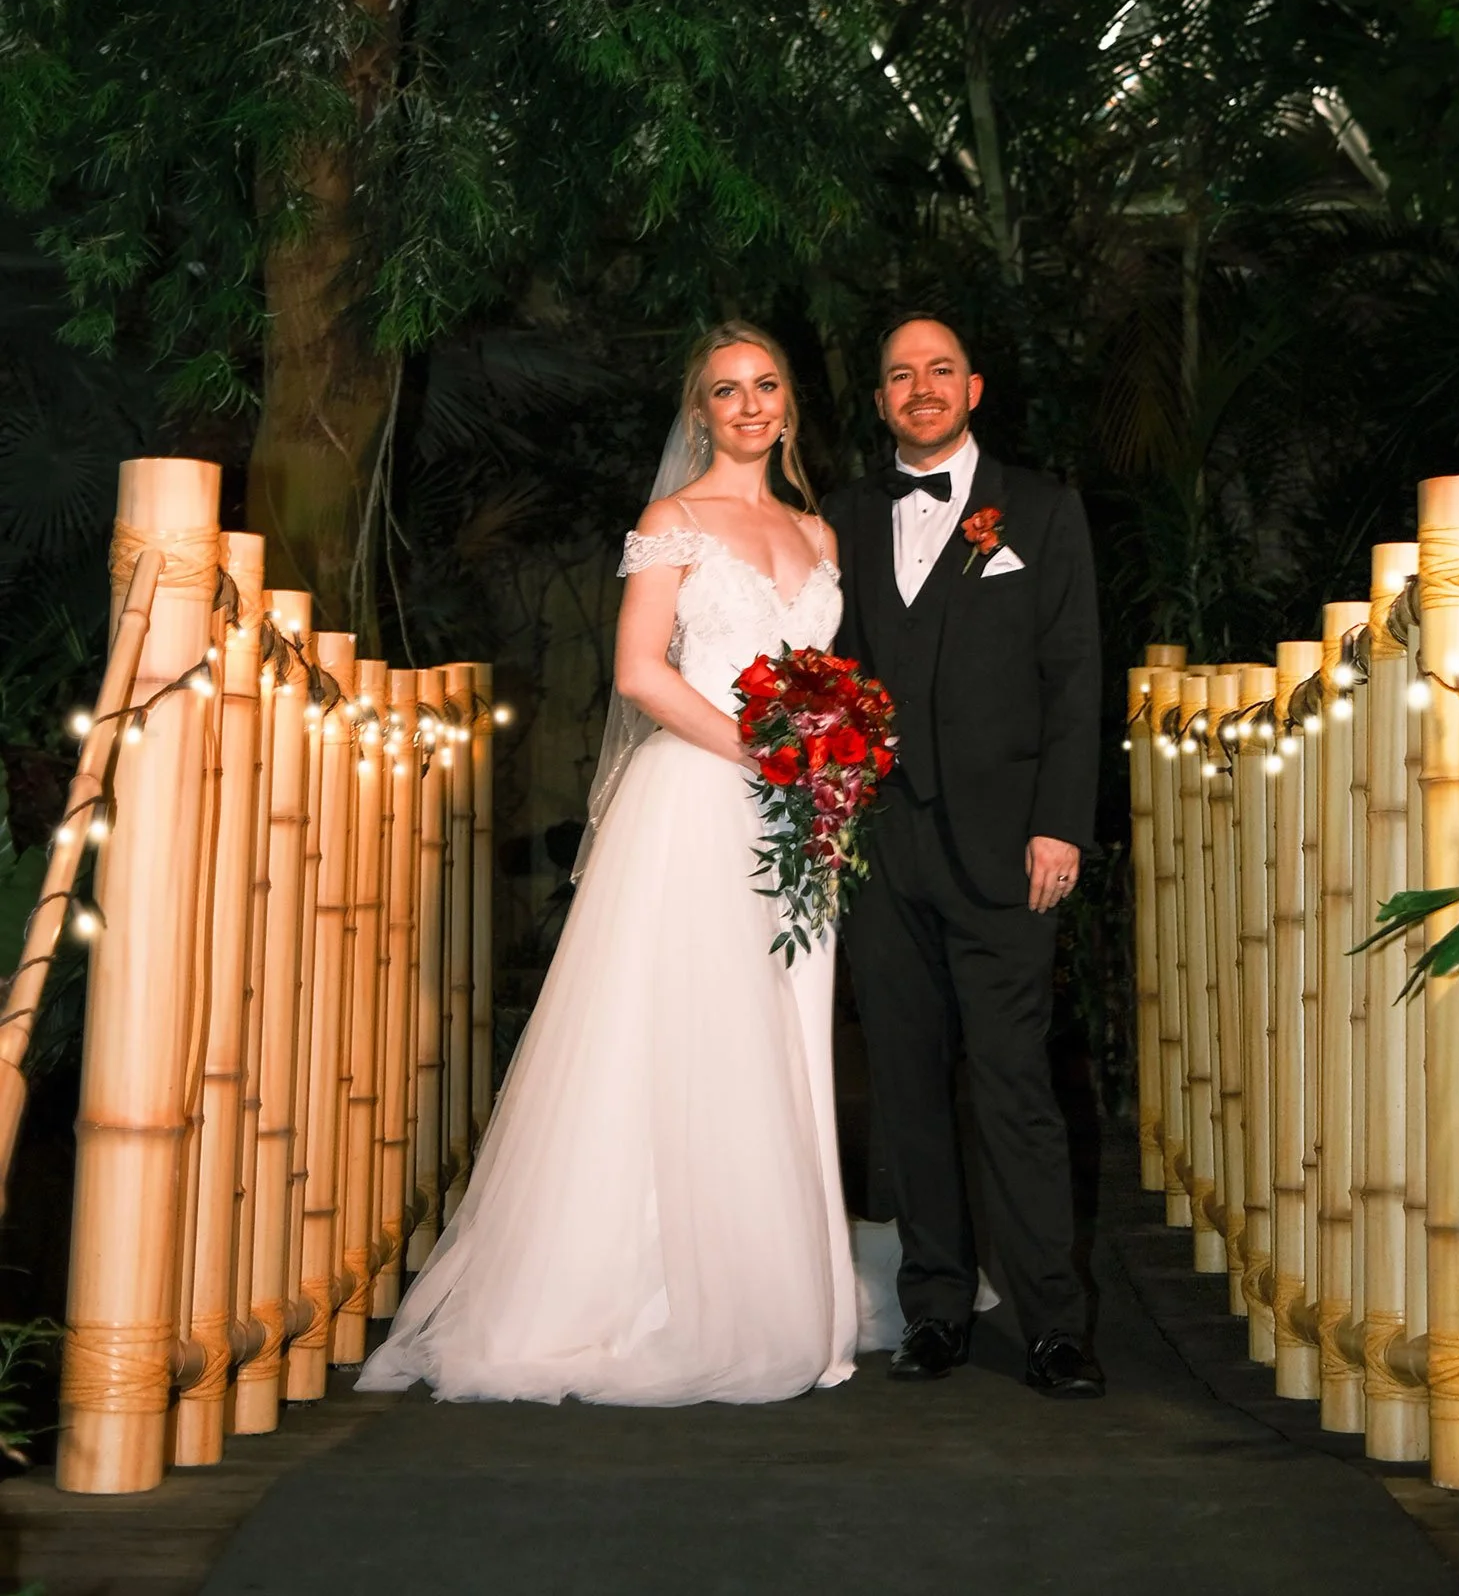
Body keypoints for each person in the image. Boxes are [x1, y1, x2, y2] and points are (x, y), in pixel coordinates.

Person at [358, 322, 856, 1405]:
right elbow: (639, 671)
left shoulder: (819, 534)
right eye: (727, 391)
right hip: (697, 802)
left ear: (789, 404)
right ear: (700, 414)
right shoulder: (671, 520)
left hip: (798, 821)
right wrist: (767, 752)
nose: (751, 404)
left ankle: (785, 1287)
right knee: (682, 1036)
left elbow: (820, 675)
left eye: (766, 384)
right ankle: (651, 1291)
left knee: (781, 1037)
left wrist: (823, 764)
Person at [825, 314, 1105, 1399]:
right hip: (880, 846)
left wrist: (1061, 823)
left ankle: (1052, 1323)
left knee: (1014, 1083)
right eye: (901, 373)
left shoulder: (1041, 507)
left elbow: (1075, 674)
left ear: (975, 386)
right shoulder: (843, 515)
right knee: (903, 1084)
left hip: (1007, 846)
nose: (922, 387)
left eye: (940, 369)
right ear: (881, 397)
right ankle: (933, 1306)